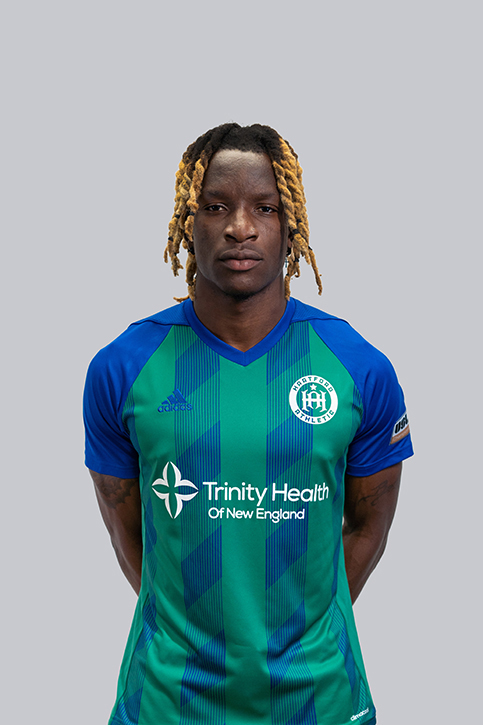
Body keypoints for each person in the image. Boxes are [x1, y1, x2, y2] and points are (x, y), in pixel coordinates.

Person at [84, 123, 413, 725]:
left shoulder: (358, 367)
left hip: (319, 700)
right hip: (167, 702)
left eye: (265, 207)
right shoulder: (123, 367)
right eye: (216, 206)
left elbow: (370, 526)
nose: (241, 227)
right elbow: (128, 531)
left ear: (292, 226)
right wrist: (197, 634)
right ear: (189, 222)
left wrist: (297, 631)